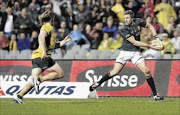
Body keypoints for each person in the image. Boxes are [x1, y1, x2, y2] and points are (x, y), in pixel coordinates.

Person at [89, 10, 164, 101]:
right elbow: (134, 42)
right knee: (115, 72)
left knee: (147, 71)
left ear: (132, 18)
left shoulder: (138, 21)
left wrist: (156, 37)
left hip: (135, 52)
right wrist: (149, 46)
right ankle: (98, 83)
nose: (125, 20)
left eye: (127, 18)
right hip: (125, 52)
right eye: (125, 18)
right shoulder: (124, 29)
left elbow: (150, 26)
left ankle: (155, 95)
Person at [13, 10, 71, 104]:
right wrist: (44, 51)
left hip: (36, 57)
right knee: (60, 73)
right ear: (52, 19)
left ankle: (19, 96)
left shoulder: (45, 27)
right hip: (43, 57)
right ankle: (39, 79)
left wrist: (63, 42)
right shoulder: (48, 27)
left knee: (33, 82)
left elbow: (52, 45)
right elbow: (41, 37)